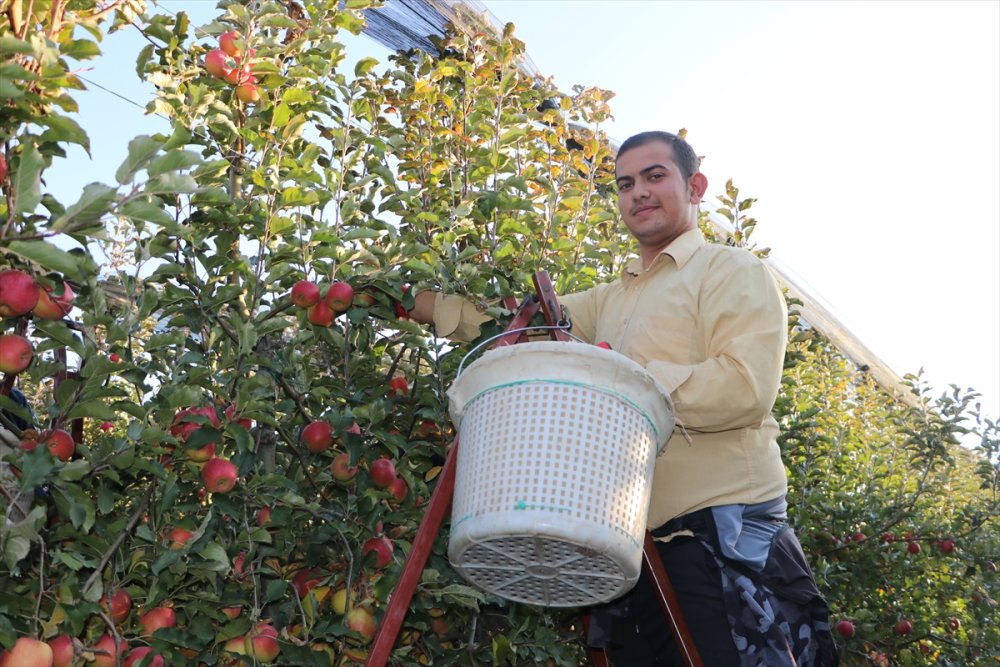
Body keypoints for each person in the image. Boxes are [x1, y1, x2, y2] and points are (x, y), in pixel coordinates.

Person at [408, 131, 839, 666]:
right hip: (628, 543)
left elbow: (744, 387)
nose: (639, 193)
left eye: (655, 176)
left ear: (695, 185)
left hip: (717, 531)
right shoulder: (608, 300)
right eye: (625, 184)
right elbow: (515, 326)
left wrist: (631, 384)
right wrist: (417, 303)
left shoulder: (730, 272)